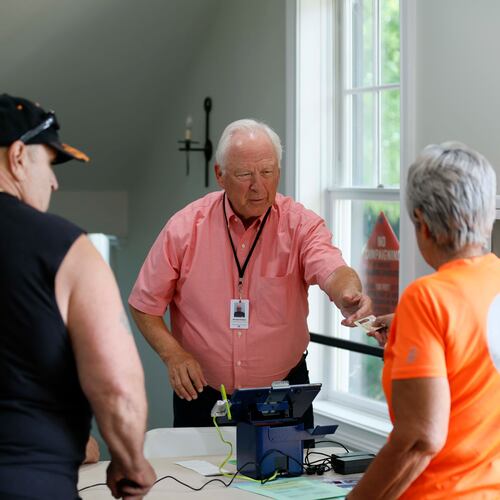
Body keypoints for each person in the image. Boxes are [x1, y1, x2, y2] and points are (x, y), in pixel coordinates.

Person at [129, 119, 372, 430]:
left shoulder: (300, 224)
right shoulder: (185, 228)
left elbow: (332, 268)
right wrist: (173, 355)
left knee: (294, 480)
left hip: (283, 395)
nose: (258, 186)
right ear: (220, 175)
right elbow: (143, 304)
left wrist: (348, 294)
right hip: (202, 396)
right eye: (245, 174)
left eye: (267, 172)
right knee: (190, 478)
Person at [0, 94, 155, 499]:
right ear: (18, 156)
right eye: (49, 165)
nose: (54, 181)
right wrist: (130, 463)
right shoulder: (67, 249)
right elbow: (116, 386)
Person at [348, 142, 500, 499]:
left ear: (423, 224)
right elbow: (477, 339)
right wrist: (409, 326)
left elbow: (421, 438)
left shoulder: (428, 297)